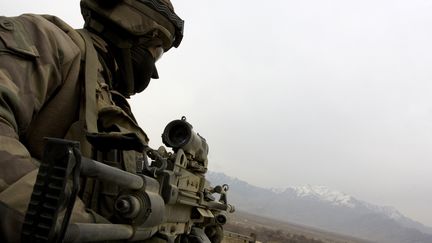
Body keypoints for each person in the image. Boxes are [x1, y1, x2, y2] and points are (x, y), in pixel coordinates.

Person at [0, 0, 184, 242]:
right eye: (156, 52)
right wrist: (93, 231)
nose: (153, 72)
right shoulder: (45, 39)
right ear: (134, 31)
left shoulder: (111, 103)